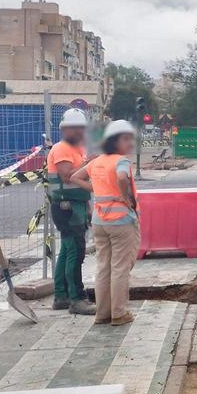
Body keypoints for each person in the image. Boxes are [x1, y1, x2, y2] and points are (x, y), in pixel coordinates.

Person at [70, 120, 139, 326]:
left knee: (103, 267)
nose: (129, 143)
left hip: (99, 222)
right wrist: (125, 198)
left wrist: (97, 191)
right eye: (126, 139)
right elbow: (121, 178)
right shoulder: (121, 161)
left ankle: (102, 313)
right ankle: (118, 313)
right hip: (121, 221)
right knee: (119, 268)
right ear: (115, 141)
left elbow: (75, 177)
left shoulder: (97, 161)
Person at [48, 108, 95, 315]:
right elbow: (67, 176)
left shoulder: (77, 149)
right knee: (75, 252)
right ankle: (77, 299)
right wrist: (89, 162)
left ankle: (61, 295)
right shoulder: (62, 149)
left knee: (68, 251)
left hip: (75, 205)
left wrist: (87, 205)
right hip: (66, 207)